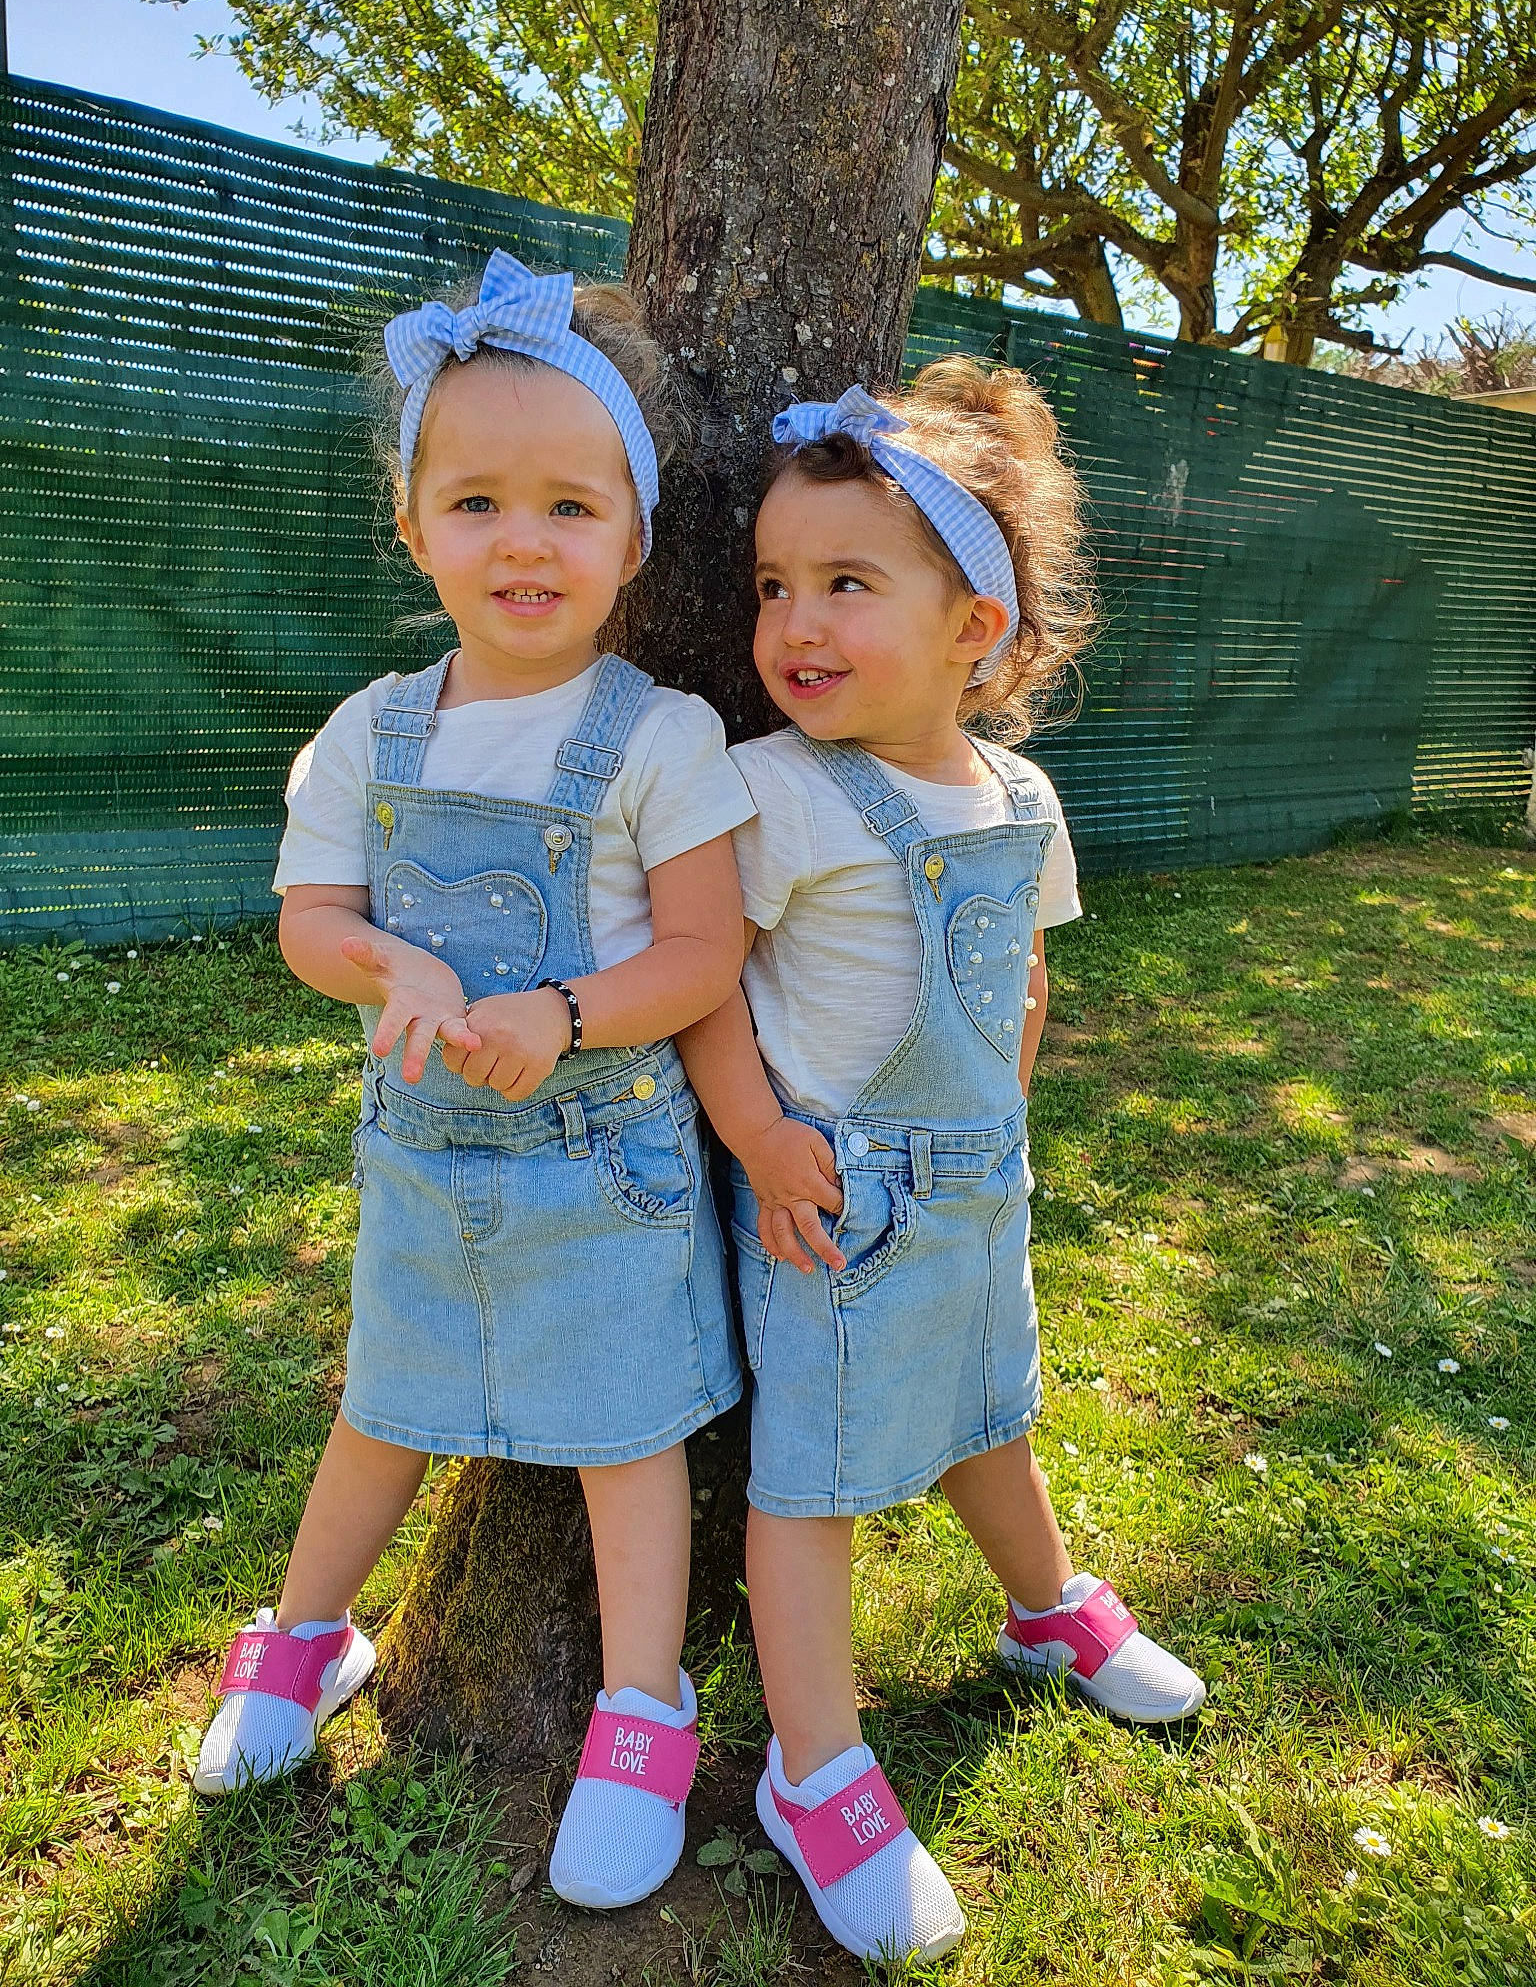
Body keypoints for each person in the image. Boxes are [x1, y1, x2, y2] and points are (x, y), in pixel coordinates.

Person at [193, 252, 754, 1915]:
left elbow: (705, 954)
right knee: (383, 1404)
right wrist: (400, 969)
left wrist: (569, 1012)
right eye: (481, 501)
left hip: (607, 1171)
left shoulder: (661, 739)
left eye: (573, 507)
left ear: (635, 539)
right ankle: (306, 1643)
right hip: (429, 1164)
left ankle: (643, 1710)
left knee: (625, 1437)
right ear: (416, 523)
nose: (527, 540)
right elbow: (312, 920)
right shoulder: (370, 735)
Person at [680, 368, 1206, 1962]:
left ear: (976, 625)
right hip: (839, 1201)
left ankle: (1045, 1605)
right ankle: (816, 1768)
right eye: (777, 585)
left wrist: (1005, 1125)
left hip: (981, 1184)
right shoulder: (771, 786)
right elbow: (704, 979)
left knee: (993, 1405)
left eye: (849, 583)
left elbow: (1024, 983)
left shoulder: (1021, 797)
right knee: (817, 1478)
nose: (796, 623)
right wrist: (761, 1134)